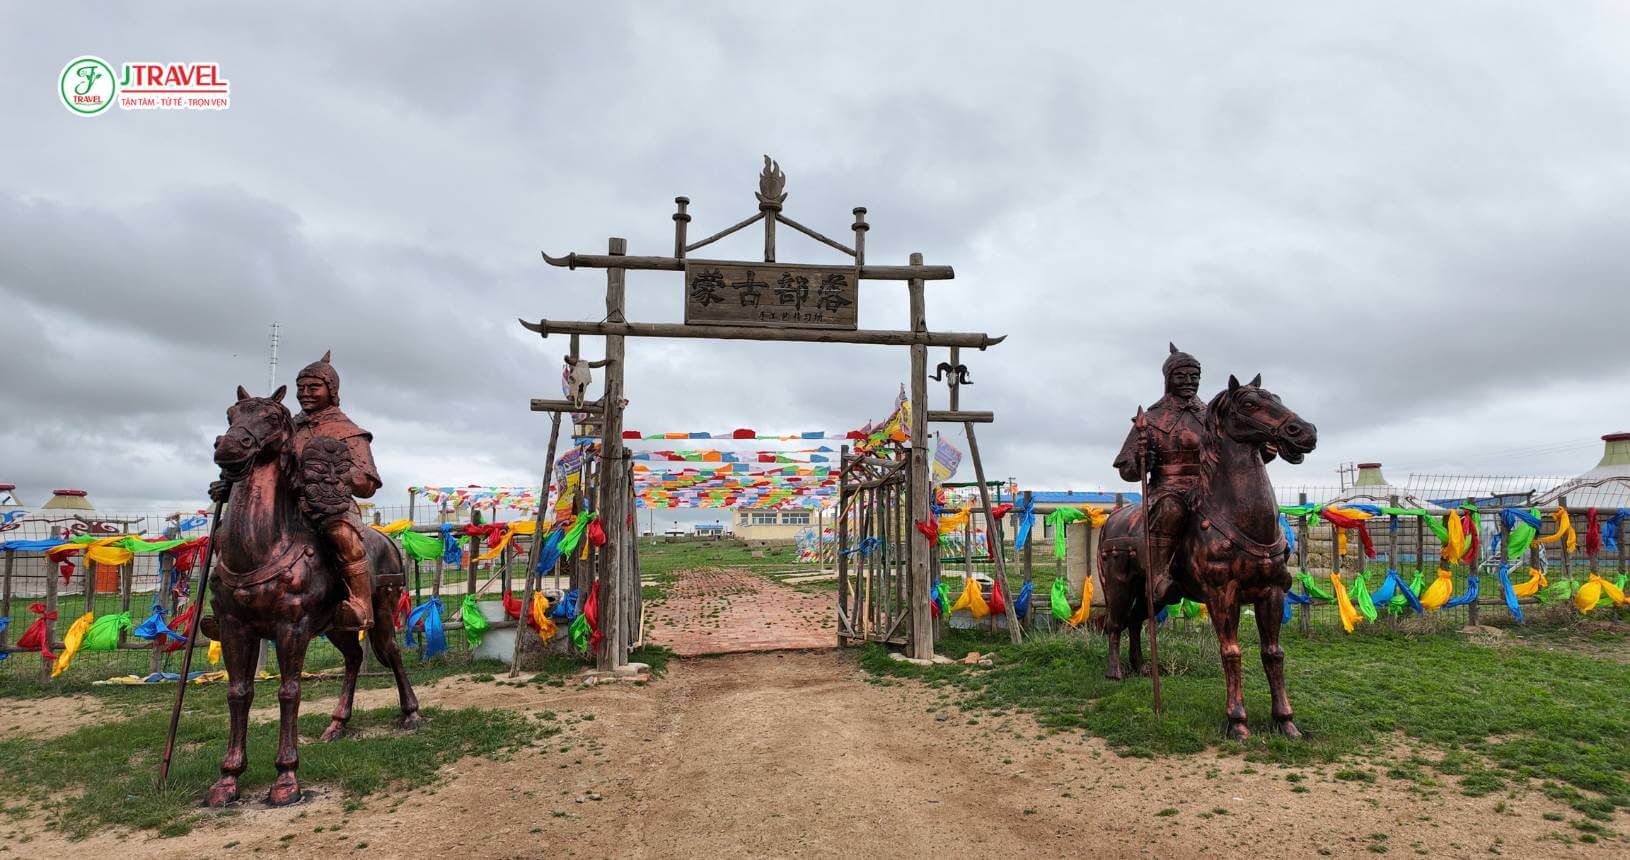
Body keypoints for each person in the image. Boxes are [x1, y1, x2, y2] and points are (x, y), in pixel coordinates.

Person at [1113, 344, 1207, 599]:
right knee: (1170, 510)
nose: (1189, 381)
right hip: (1168, 489)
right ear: (1168, 378)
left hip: (1207, 487)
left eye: (1194, 376)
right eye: (1181, 376)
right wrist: (1142, 460)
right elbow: (1127, 469)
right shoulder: (1152, 419)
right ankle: (1159, 576)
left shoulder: (1211, 416)